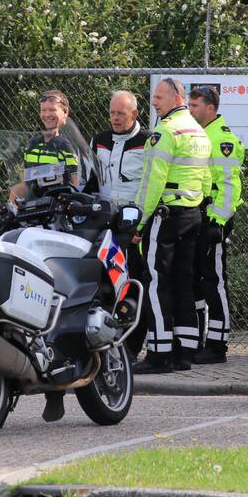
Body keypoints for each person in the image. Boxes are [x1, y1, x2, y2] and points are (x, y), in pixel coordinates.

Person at [131, 77, 211, 374]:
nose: (154, 101)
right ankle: (184, 352)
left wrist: (140, 221)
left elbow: (152, 183)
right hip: (192, 215)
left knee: (155, 281)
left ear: (177, 97)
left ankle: (159, 354)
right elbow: (205, 179)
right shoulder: (199, 133)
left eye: (159, 97)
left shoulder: (165, 132)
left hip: (165, 217)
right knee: (184, 282)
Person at [86, 90, 150, 357]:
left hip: (133, 227)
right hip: (105, 224)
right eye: (112, 112)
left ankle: (132, 348)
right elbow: (90, 181)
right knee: (106, 283)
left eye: (121, 113)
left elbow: (150, 184)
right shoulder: (99, 140)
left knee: (134, 283)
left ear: (134, 114)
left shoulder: (148, 141)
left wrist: (141, 224)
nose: (115, 118)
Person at [188, 85, 245, 364]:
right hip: (199, 217)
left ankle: (218, 344)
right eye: (189, 105)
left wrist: (218, 222)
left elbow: (229, 185)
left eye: (195, 106)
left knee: (214, 281)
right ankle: (200, 340)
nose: (190, 110)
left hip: (214, 220)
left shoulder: (222, 139)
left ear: (210, 108)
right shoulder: (199, 135)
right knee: (198, 280)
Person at [14, 90, 81, 199]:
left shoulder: (66, 147)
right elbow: (24, 180)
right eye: (43, 110)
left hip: (56, 205)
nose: (47, 114)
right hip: (32, 205)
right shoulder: (31, 145)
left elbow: (75, 183)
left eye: (52, 110)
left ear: (65, 112)